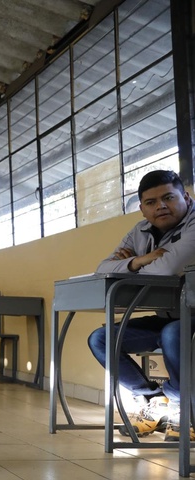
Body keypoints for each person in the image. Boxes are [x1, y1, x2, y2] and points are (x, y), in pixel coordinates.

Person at [87, 170, 195, 441]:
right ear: (142, 208)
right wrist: (140, 261)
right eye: (151, 202)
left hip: (190, 317)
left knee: (173, 333)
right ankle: (154, 400)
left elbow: (167, 269)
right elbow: (102, 268)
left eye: (169, 198)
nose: (160, 206)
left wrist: (133, 265)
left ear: (185, 196)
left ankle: (184, 409)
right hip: (170, 316)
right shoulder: (140, 230)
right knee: (102, 338)